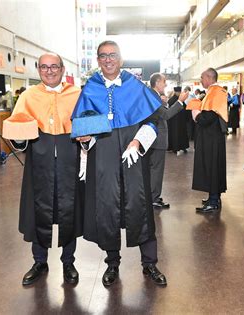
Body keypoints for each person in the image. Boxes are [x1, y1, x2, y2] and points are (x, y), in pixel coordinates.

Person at [72, 40, 167, 287]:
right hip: (102, 156)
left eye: (112, 55)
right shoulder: (90, 88)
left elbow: (154, 119)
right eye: (102, 56)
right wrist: (84, 139)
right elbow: (84, 127)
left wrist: (138, 141)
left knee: (140, 204)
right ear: (97, 60)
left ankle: (150, 263)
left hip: (132, 153)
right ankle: (112, 263)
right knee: (107, 207)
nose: (108, 59)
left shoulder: (135, 86)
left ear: (121, 59)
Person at [2, 53, 83, 286]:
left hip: (70, 162)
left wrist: (88, 139)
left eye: (54, 66)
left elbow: (88, 126)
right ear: (38, 70)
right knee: (38, 211)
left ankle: (69, 262)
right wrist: (18, 139)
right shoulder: (28, 96)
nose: (49, 71)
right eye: (44, 67)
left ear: (62, 68)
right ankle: (39, 261)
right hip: (39, 163)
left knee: (70, 210)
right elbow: (18, 133)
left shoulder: (77, 94)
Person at [148, 73, 188, 209]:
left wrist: (164, 102)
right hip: (157, 139)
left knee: (154, 170)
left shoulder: (152, 95)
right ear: (157, 82)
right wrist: (180, 101)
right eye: (164, 82)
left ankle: (152, 196)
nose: (165, 84)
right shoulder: (153, 96)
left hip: (153, 138)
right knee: (156, 170)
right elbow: (166, 115)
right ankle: (154, 198)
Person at [191, 68, 228, 213]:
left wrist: (196, 113)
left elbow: (208, 118)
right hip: (212, 136)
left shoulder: (216, 92)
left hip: (211, 137)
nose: (201, 80)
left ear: (209, 77)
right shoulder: (215, 92)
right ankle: (214, 197)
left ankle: (213, 200)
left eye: (202, 77)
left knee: (212, 166)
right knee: (213, 166)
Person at [167, 87, 189, 154]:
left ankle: (183, 147)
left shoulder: (180, 100)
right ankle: (175, 147)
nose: (179, 93)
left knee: (182, 133)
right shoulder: (171, 100)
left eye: (180, 92)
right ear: (175, 92)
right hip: (174, 121)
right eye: (178, 92)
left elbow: (185, 108)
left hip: (181, 120)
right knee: (175, 133)